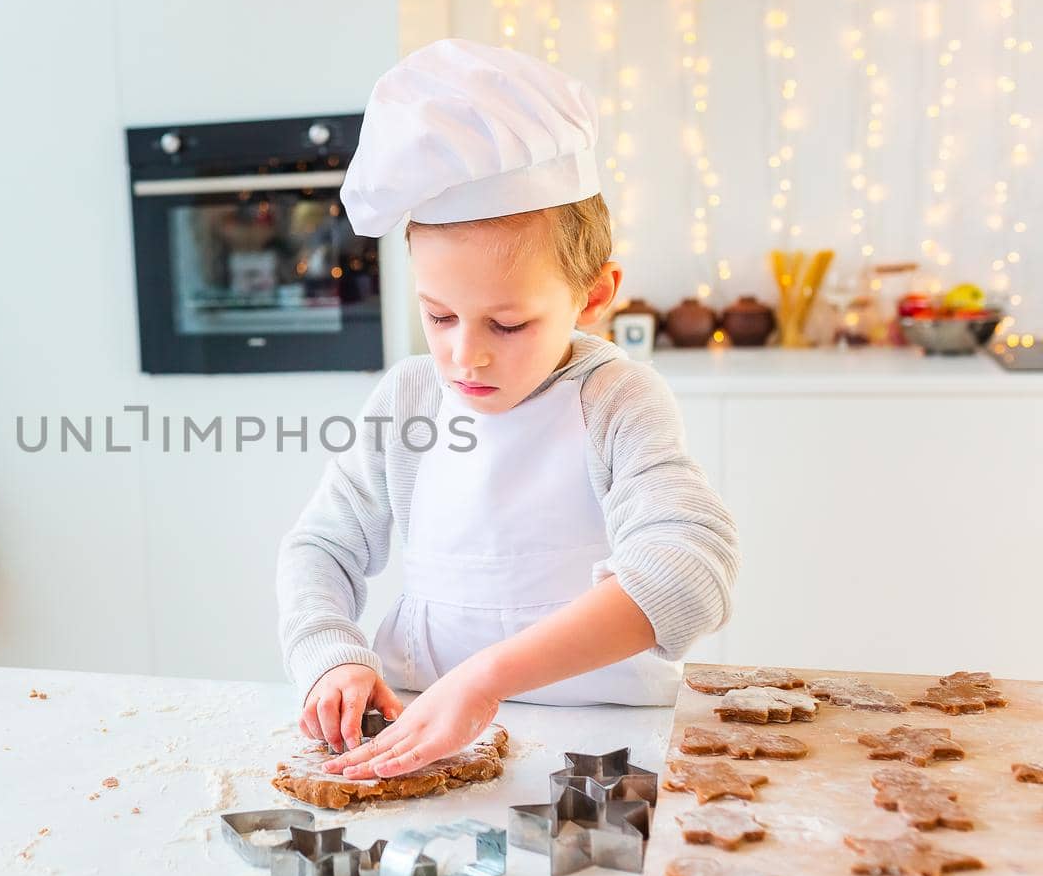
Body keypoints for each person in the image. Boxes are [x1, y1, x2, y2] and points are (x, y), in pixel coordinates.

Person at [275, 39, 739, 781]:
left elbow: (688, 573)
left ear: (593, 295)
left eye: (508, 324)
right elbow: (319, 548)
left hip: (613, 752)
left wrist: (488, 678)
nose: (466, 357)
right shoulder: (409, 399)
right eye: (439, 316)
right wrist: (331, 654)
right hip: (420, 732)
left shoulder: (618, 401)